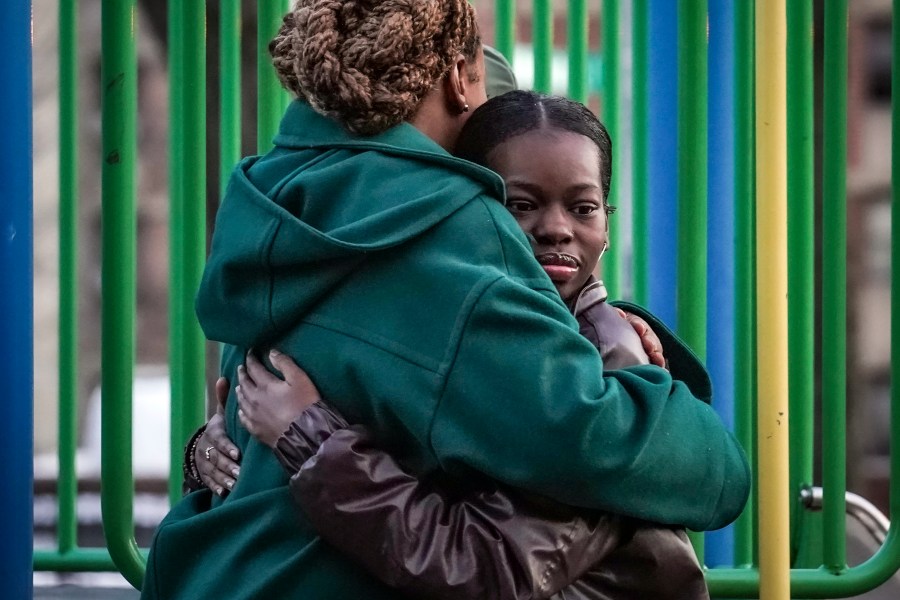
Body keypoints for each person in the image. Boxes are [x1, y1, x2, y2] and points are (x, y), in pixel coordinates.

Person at [142, 1, 750, 598]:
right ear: (460, 79)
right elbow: (665, 467)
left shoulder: (276, 202)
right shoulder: (451, 229)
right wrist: (658, 397)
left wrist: (213, 448)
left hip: (208, 569)